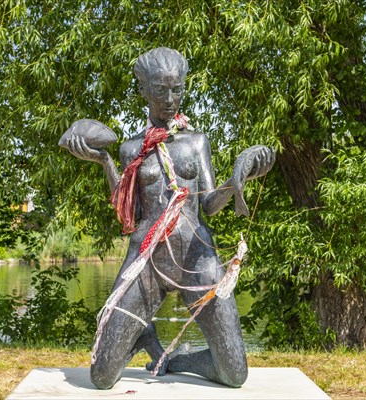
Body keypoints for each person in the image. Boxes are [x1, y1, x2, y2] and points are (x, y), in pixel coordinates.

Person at [63, 47, 274, 389]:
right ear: (144, 90)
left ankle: (175, 358)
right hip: (146, 261)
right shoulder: (132, 149)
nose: (170, 99)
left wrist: (239, 179)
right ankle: (142, 334)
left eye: (177, 89)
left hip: (197, 258)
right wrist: (103, 161)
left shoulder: (196, 142)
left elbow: (207, 205)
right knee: (101, 378)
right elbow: (128, 211)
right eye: (160, 90)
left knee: (234, 374)